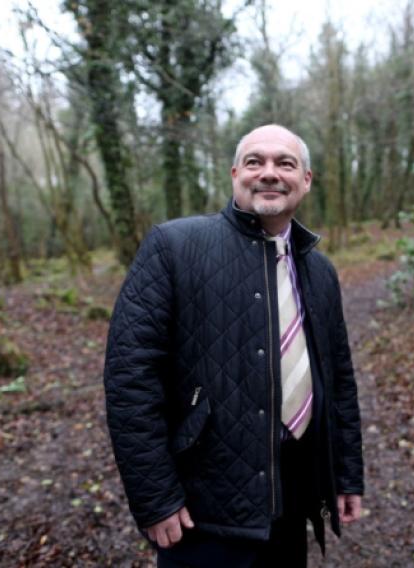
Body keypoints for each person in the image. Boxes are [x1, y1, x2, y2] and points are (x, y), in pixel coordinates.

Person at [103, 124, 364, 567]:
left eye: (285, 163)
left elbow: (338, 380)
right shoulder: (174, 247)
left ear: (306, 179)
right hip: (203, 513)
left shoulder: (319, 271)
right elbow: (130, 378)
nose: (269, 173)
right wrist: (155, 498)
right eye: (254, 162)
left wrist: (345, 475)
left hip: (293, 499)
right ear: (234, 174)